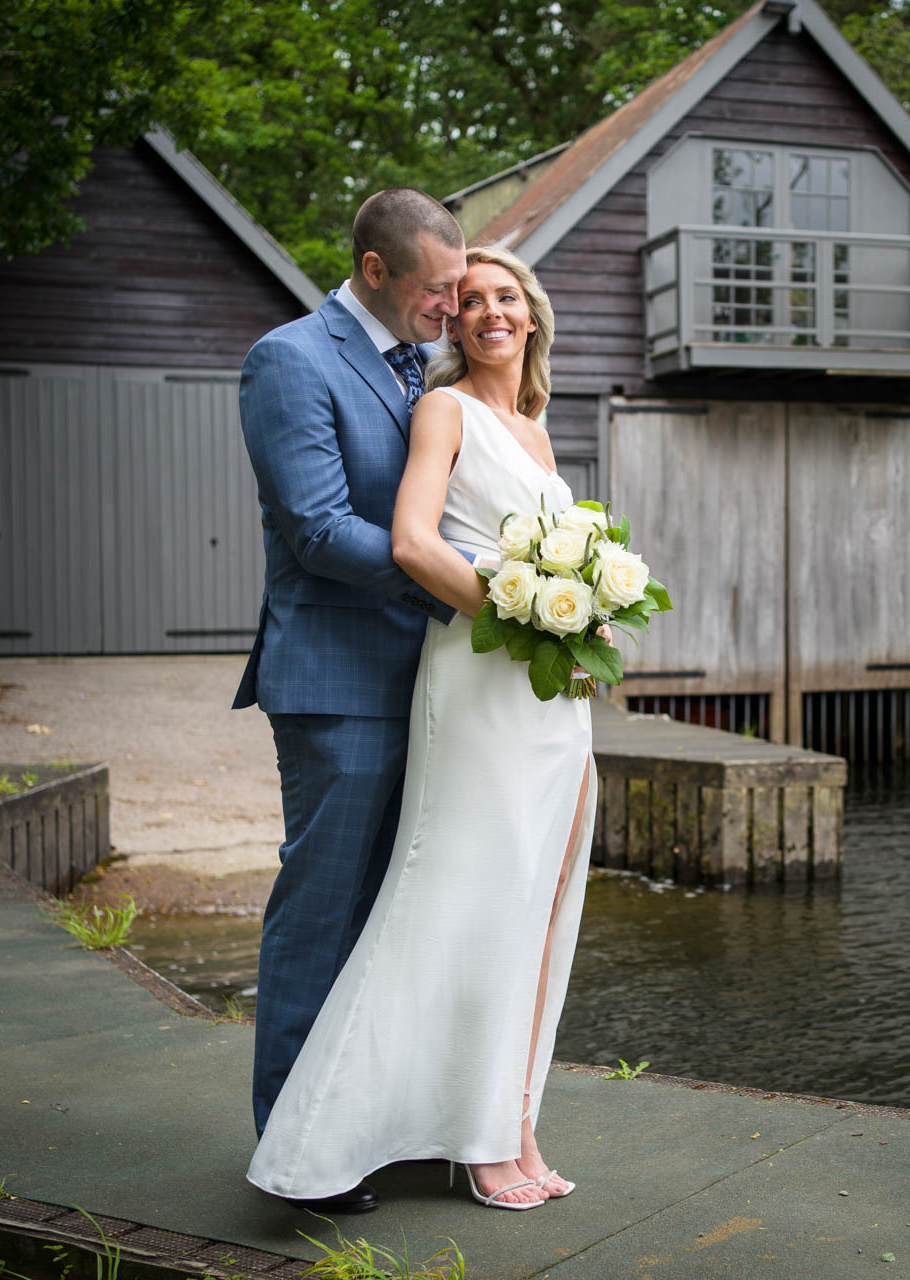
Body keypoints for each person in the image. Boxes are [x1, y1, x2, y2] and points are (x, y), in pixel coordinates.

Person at [246, 245, 595, 1212]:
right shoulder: (438, 406)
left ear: (533, 314)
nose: (483, 310)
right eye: (466, 297)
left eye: (502, 296)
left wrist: (588, 614)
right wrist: (522, 607)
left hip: (547, 694)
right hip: (482, 672)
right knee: (456, 900)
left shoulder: (537, 428)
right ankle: (372, 1141)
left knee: (532, 910)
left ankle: (509, 1124)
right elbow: (410, 540)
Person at [233, 188, 467, 1215]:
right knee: (322, 915)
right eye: (435, 289)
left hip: (426, 682)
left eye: (460, 289)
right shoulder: (289, 359)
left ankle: (368, 1127)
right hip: (335, 683)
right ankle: (295, 1149)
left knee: (394, 917)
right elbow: (321, 528)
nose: (452, 307)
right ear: (375, 272)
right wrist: (468, 582)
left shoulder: (430, 367)